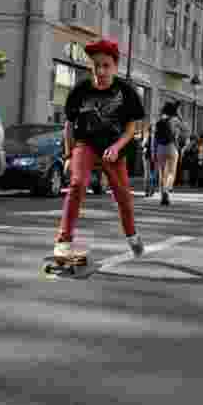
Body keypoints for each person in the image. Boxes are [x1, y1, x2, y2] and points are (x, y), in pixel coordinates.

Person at [56, 38, 146, 261]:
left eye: (106, 66)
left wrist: (117, 147)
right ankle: (63, 242)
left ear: (115, 66)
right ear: (91, 67)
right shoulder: (80, 91)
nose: (101, 71)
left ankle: (132, 235)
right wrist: (68, 155)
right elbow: (68, 124)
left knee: (123, 198)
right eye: (96, 65)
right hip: (85, 144)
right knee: (77, 185)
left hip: (114, 149)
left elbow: (131, 127)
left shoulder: (126, 92)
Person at [153, 102, 184, 206]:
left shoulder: (159, 120)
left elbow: (155, 137)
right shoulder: (175, 120)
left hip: (160, 148)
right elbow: (186, 130)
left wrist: (154, 151)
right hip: (172, 147)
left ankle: (163, 196)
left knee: (162, 173)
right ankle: (167, 190)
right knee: (171, 172)